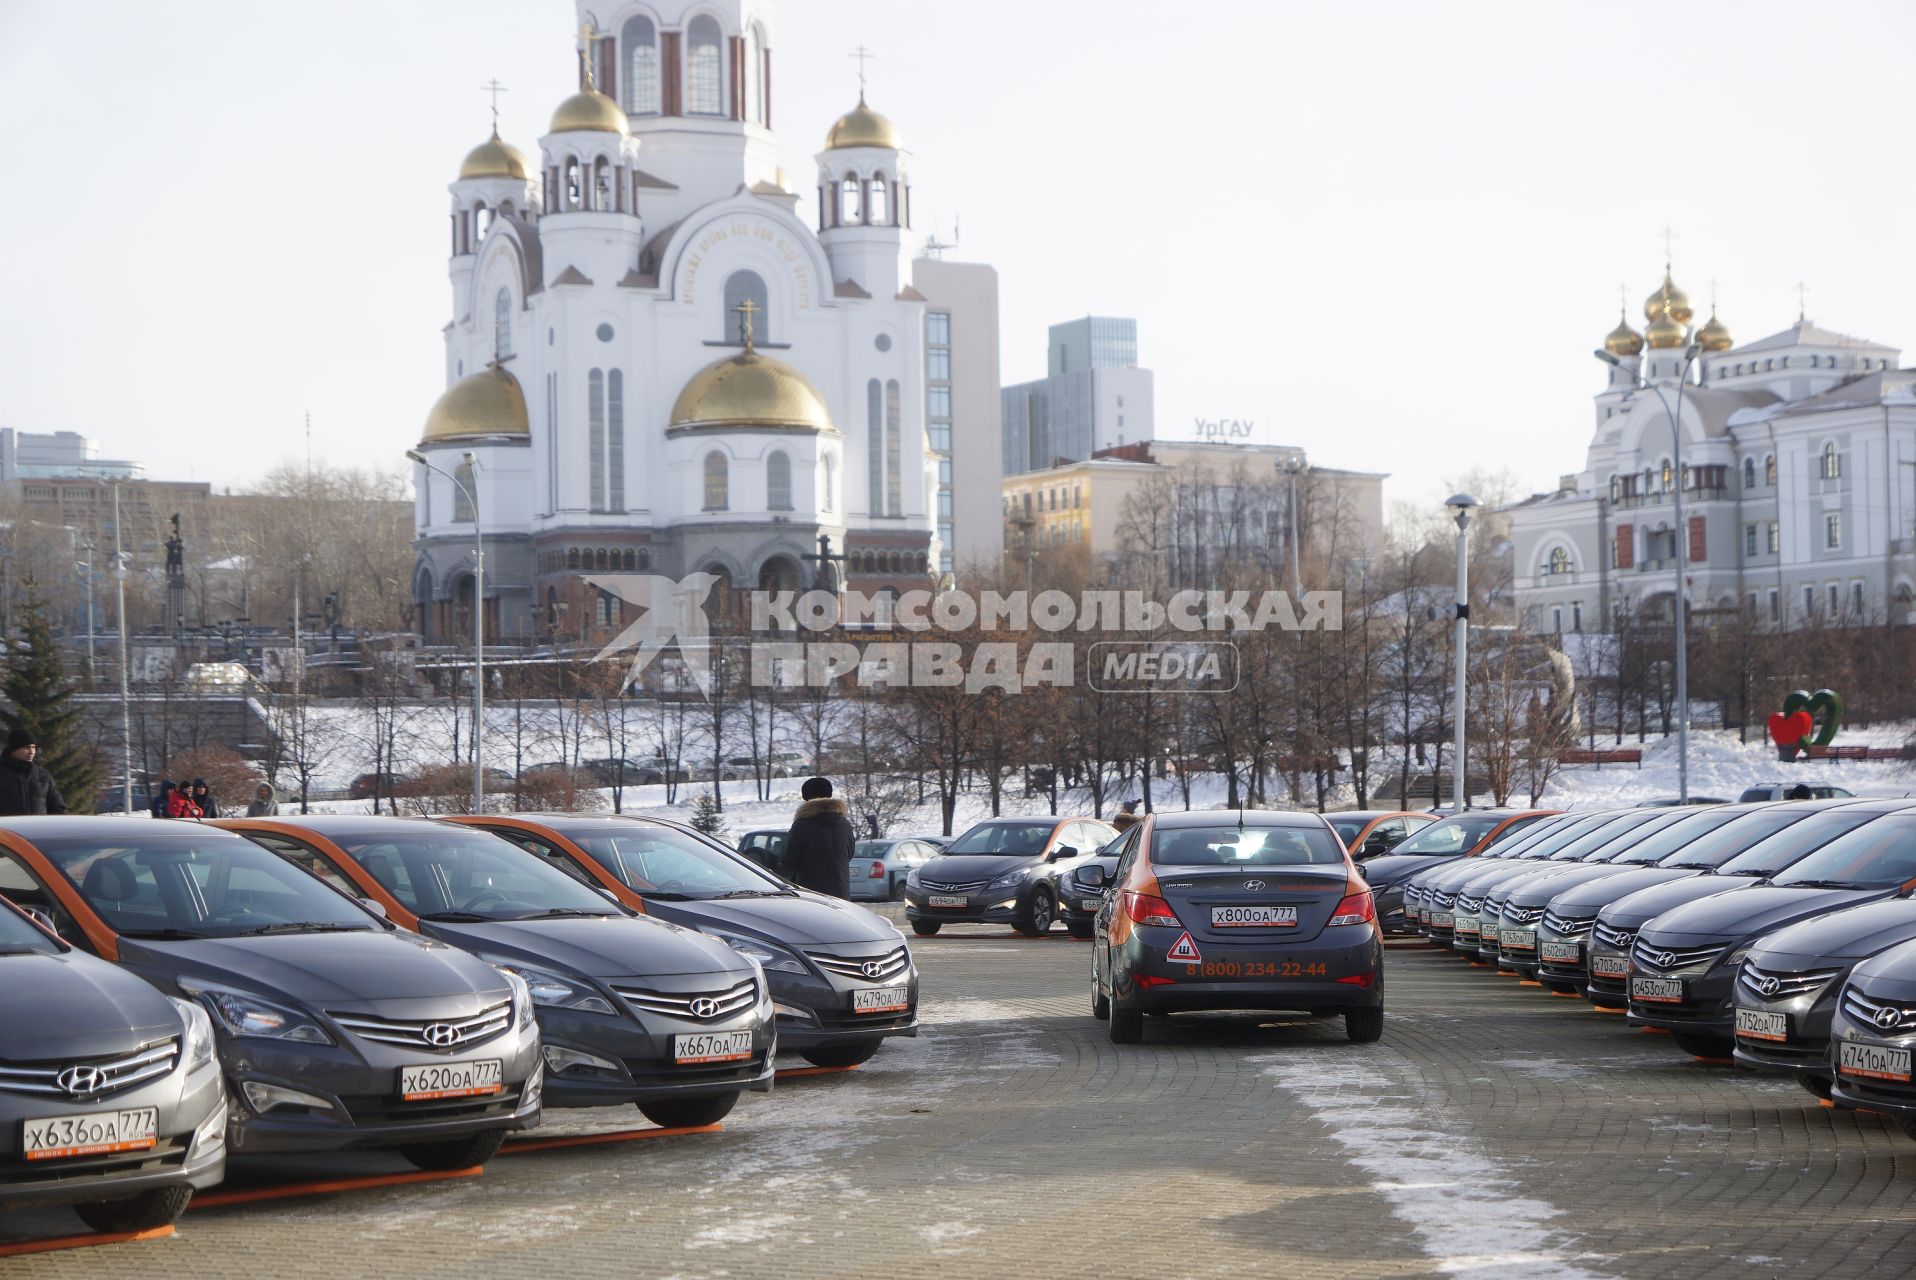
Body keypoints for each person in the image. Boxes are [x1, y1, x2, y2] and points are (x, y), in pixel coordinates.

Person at [782, 776, 855, 897]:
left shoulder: (802, 825)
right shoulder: (844, 824)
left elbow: (789, 859)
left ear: (806, 798)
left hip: (812, 895)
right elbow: (849, 854)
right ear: (829, 795)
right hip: (842, 894)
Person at [0, 730, 66, 816]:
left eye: (33, 747)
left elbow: (58, 808)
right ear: (13, 749)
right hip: (7, 828)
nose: (31, 752)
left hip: (39, 829)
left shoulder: (43, 776)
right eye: (26, 747)